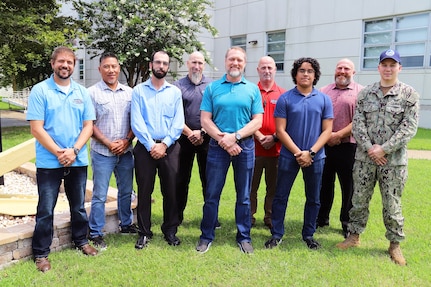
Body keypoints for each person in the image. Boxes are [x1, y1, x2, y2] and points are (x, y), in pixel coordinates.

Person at [336, 49, 419, 266]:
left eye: (393, 65)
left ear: (399, 68)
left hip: (393, 162)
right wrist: (370, 148)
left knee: (392, 203)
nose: (388, 69)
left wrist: (384, 149)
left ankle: (395, 245)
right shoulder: (366, 93)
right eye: (385, 64)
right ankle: (353, 237)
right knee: (359, 200)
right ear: (379, 67)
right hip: (365, 159)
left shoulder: (409, 94)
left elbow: (408, 128)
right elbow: (358, 123)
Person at [26, 46, 98, 272]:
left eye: (69, 62)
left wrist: (74, 151)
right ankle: (41, 253)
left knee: (78, 207)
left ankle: (81, 241)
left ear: (74, 66)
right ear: (52, 64)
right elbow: (36, 129)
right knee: (46, 208)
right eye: (61, 62)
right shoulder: (40, 91)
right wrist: (59, 152)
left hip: (77, 160)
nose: (65, 65)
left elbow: (88, 126)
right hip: (50, 162)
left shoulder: (81, 92)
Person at [196, 46, 263, 254]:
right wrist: (224, 139)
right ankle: (206, 236)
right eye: (232, 59)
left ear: (244, 64)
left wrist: (236, 137)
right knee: (212, 194)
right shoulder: (212, 88)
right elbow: (205, 120)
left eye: (239, 60)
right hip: (217, 146)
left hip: (245, 146)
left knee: (244, 195)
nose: (235, 63)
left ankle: (244, 236)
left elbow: (258, 121)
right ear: (226, 62)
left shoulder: (252, 89)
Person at [264, 57, 333, 250]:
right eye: (302, 70)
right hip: (289, 156)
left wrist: (310, 152)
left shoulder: (324, 99)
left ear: (315, 75)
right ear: (295, 74)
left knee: (313, 198)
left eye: (310, 71)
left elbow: (327, 130)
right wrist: (298, 153)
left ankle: (309, 234)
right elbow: (280, 131)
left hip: (316, 157)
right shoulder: (285, 98)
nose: (305, 74)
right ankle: (277, 234)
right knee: (280, 196)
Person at [131, 50, 184, 249]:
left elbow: (178, 123)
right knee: (144, 191)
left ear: (168, 67)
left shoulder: (174, 92)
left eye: (165, 63)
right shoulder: (138, 91)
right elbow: (137, 122)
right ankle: (144, 232)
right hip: (145, 148)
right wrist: (151, 145)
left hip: (169, 148)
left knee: (171, 190)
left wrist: (164, 144)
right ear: (151, 65)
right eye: (158, 62)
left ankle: (170, 230)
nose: (161, 66)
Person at [87, 52, 138, 250]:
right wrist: (109, 143)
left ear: (119, 68)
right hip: (102, 152)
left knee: (126, 191)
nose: (111, 70)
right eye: (106, 66)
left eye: (114, 66)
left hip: (126, 151)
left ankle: (126, 224)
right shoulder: (91, 93)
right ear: (100, 69)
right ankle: (96, 232)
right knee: (100, 193)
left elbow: (136, 121)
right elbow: (89, 125)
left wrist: (126, 140)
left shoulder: (130, 93)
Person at [316, 59, 363, 238]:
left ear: (353, 72)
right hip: (325, 146)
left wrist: (337, 135)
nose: (342, 71)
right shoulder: (323, 91)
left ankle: (346, 222)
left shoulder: (361, 92)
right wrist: (327, 137)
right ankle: (321, 218)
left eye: (347, 68)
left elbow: (359, 120)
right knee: (324, 184)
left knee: (348, 186)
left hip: (348, 146)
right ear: (335, 70)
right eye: (339, 68)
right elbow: (317, 117)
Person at [173, 51, 218, 227]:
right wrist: (190, 133)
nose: (196, 66)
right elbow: (174, 115)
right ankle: (176, 217)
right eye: (193, 63)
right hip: (183, 140)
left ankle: (211, 218)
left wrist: (202, 132)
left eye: (200, 63)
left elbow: (216, 114)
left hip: (207, 140)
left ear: (204, 65)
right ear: (187, 64)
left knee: (209, 180)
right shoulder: (177, 86)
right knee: (181, 180)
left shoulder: (212, 87)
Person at [250, 56, 286, 229]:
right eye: (263, 67)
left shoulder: (283, 94)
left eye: (270, 67)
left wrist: (274, 137)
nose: (266, 71)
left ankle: (270, 217)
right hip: (253, 149)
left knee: (273, 188)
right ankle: (248, 216)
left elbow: (287, 121)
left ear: (275, 70)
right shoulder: (250, 91)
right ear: (258, 70)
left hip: (276, 150)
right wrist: (258, 135)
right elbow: (245, 117)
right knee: (250, 188)